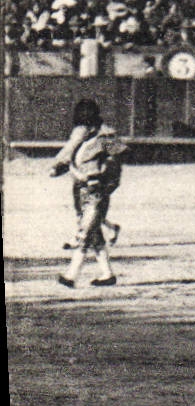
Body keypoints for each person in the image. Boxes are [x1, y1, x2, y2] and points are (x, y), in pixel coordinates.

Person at [52, 98, 127, 288]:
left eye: (87, 124)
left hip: (96, 192)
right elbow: (71, 160)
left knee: (84, 234)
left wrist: (105, 184)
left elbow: (117, 163)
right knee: (94, 235)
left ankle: (71, 275)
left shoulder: (106, 138)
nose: (84, 128)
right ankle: (107, 274)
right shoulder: (80, 138)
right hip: (80, 191)